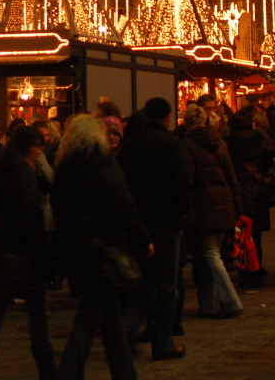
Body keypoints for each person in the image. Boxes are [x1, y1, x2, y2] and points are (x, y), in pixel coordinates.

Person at [51, 114, 148, 380]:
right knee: (89, 317)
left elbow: (58, 209)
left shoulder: (66, 168)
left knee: (110, 317)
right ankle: (69, 372)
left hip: (78, 249)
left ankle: (124, 372)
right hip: (104, 250)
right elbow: (123, 205)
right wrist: (141, 238)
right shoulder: (103, 165)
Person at [0, 125, 57, 380]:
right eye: (38, 146)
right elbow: (30, 217)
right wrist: (39, 255)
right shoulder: (23, 173)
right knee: (38, 317)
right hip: (22, 254)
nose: (41, 151)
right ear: (28, 147)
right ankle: (47, 368)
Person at [117, 96, 192, 361]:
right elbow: (182, 183)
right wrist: (182, 212)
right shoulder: (172, 145)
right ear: (167, 117)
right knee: (167, 284)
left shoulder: (130, 145)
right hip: (167, 222)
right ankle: (163, 341)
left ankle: (128, 328)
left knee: (144, 280)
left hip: (140, 221)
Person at [181, 103, 243, 318]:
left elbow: (188, 180)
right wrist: (237, 207)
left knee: (210, 254)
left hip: (204, 205)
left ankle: (231, 300)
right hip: (224, 203)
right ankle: (210, 304)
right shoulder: (219, 142)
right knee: (215, 254)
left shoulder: (188, 145)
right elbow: (231, 177)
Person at [226, 112, 275, 289]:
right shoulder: (258, 141)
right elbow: (272, 150)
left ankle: (244, 273)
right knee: (256, 236)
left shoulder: (227, 142)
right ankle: (256, 270)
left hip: (237, 192)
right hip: (255, 192)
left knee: (240, 235)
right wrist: (260, 132)